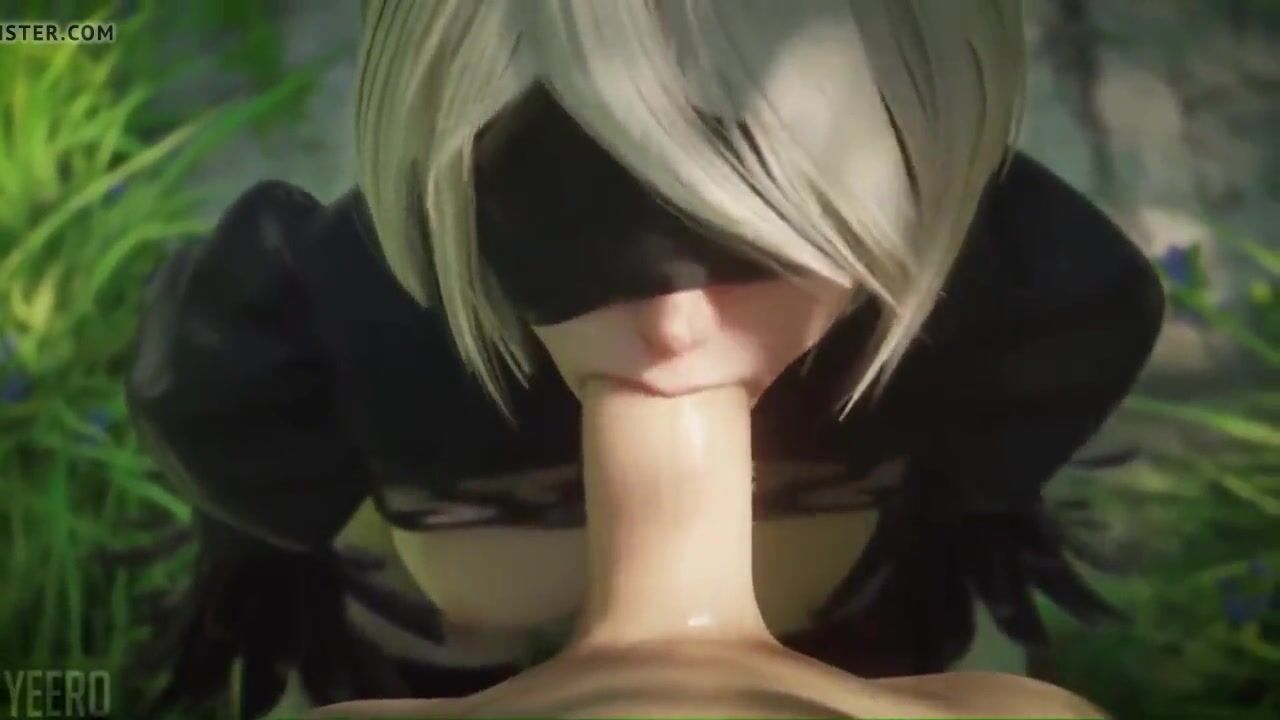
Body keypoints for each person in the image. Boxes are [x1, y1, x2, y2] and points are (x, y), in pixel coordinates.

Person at [126, 0, 1163, 717]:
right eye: (561, 211)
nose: (672, 328)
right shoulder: (326, 307)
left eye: (767, 233)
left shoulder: (995, 291)